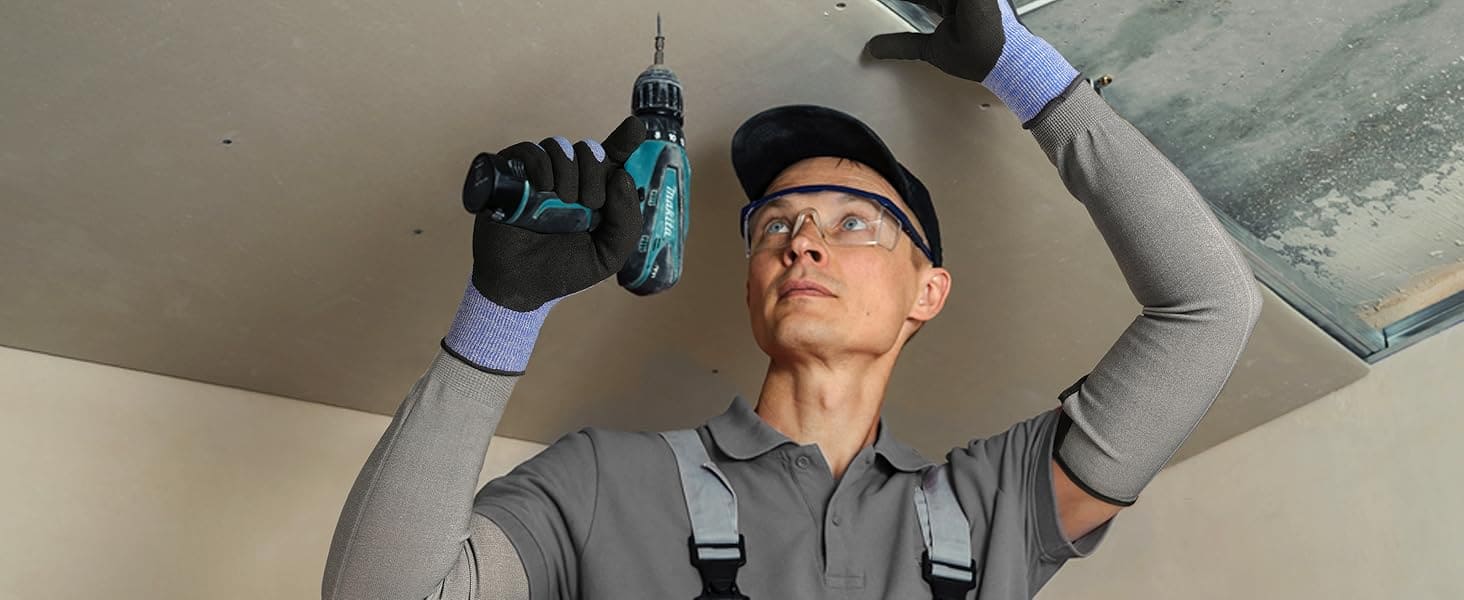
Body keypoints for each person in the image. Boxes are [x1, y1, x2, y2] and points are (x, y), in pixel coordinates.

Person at [322, 0, 1263, 598]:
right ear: (751, 280)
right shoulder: (605, 486)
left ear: (927, 292)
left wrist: (1024, 68)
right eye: (775, 224)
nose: (802, 238)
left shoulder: (991, 513)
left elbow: (1212, 307)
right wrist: (500, 312)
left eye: (856, 222)